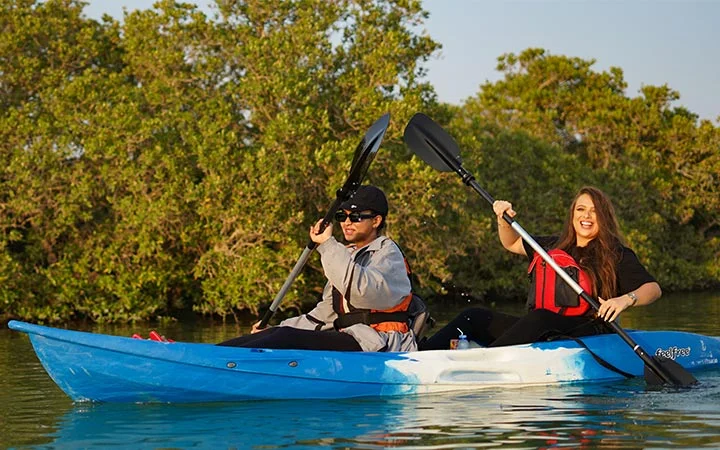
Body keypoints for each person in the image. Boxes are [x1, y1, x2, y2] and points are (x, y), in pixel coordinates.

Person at [420, 186, 662, 350]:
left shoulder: (615, 253)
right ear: (572, 214)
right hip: (541, 327)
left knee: (541, 318)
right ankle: (421, 355)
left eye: (594, 211)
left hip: (588, 330)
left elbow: (652, 288)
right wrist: (503, 219)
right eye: (581, 209)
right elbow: (512, 242)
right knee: (473, 317)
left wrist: (625, 300)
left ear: (604, 217)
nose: (587, 216)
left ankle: (486, 361)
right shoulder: (550, 245)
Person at [218, 185, 418, 352]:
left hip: (384, 344)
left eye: (356, 217)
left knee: (286, 337)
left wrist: (328, 244)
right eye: (342, 216)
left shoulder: (389, 254)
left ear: (376, 221)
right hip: (355, 339)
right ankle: (213, 354)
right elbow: (323, 315)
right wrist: (276, 328)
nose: (347, 223)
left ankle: (219, 363)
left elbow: (363, 292)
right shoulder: (347, 255)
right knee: (277, 333)